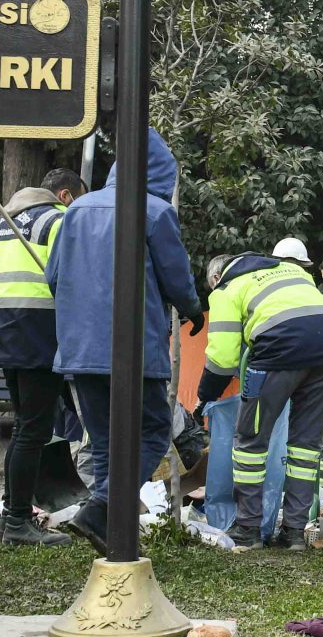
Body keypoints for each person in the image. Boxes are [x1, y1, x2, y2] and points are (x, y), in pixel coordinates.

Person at [43, 132, 204, 548]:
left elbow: (53, 277)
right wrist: (192, 309)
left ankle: (107, 527)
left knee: (104, 441)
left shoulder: (76, 208)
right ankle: (101, 509)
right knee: (151, 430)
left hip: (79, 348)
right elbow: (177, 278)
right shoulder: (154, 211)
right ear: (162, 176)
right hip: (134, 347)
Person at [0, 167, 83, 544]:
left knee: (27, 425)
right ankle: (15, 522)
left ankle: (10, 518)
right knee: (34, 430)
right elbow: (74, 278)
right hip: (39, 331)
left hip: (0, 336)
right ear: (64, 196)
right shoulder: (58, 221)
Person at [200, 245, 323, 547]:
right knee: (305, 447)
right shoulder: (293, 272)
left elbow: (222, 358)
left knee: (250, 443)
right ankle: (295, 532)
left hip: (278, 353)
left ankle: (248, 528)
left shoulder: (226, 289)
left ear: (216, 276)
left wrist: (204, 396)